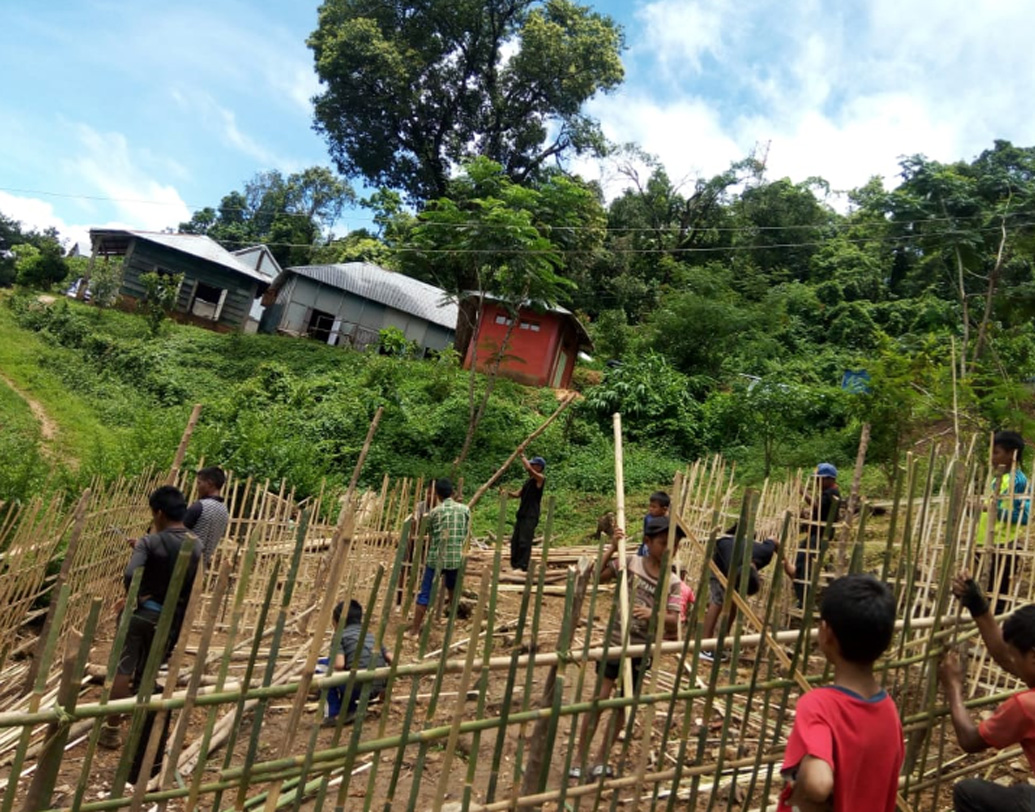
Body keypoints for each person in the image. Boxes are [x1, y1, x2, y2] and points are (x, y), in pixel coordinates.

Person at [571, 514, 684, 782]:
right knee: (600, 698)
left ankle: (601, 760)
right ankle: (579, 758)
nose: (669, 550)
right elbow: (596, 577)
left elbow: (674, 622)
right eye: (663, 543)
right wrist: (612, 547)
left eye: (675, 545)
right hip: (615, 643)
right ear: (648, 541)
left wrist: (653, 613)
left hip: (640, 650)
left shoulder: (673, 582)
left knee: (623, 704)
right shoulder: (631, 563)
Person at [776, 574, 902, 812]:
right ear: (886, 643)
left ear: (826, 632)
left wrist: (799, 787)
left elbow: (819, 784)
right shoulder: (889, 711)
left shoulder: (818, 706)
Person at [99, 486, 201, 751]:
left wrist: (139, 597)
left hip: (141, 614)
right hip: (170, 618)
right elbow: (191, 582)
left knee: (123, 668)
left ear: (158, 512)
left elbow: (132, 574)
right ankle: (143, 729)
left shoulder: (149, 541)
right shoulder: (196, 544)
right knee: (149, 670)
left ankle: (111, 729)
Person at [939, 573, 1035, 810]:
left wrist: (953, 688)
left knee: (968, 792)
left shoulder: (1026, 706)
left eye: (1016, 655)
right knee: (1022, 792)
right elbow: (1006, 658)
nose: (1011, 661)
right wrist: (978, 607)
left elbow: (970, 740)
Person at [701, 526, 779, 654]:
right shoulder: (728, 562)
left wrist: (786, 563)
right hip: (719, 560)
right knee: (718, 600)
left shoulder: (764, 553)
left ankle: (723, 640)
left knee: (734, 602)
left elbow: (774, 540)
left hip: (736, 555)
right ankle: (704, 646)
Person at [407, 478, 470, 637]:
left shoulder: (434, 512)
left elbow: (427, 532)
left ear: (437, 495)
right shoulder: (465, 510)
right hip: (455, 558)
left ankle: (414, 630)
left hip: (435, 558)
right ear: (452, 493)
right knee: (453, 590)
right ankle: (451, 624)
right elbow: (465, 532)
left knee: (425, 593)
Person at [976, 431, 1029, 616]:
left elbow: (1024, 515)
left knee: (997, 595)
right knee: (983, 590)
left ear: (1011, 454)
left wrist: (990, 510)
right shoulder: (996, 478)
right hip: (985, 543)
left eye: (996, 452)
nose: (991, 457)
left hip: (1004, 545)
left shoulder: (1018, 481)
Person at [324, 599, 391, 726]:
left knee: (322, 670)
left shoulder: (340, 636)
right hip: (376, 688)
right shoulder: (370, 635)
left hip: (357, 688)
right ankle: (351, 709)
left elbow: (339, 664)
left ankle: (334, 714)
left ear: (337, 621)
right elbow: (392, 659)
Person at [784, 463, 840, 607]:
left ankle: (806, 601)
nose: (816, 482)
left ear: (829, 479)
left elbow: (817, 506)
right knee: (801, 563)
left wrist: (802, 491)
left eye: (819, 479)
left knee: (803, 564)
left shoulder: (831, 493)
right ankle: (803, 599)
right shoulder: (828, 492)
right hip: (816, 534)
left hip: (821, 536)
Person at [505, 455, 545, 571]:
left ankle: (523, 566)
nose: (531, 466)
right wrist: (507, 494)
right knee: (515, 540)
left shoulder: (540, 479)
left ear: (539, 467)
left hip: (530, 516)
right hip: (522, 514)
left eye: (533, 465)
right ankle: (515, 564)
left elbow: (528, 469)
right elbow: (518, 494)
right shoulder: (528, 481)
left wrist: (521, 455)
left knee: (524, 541)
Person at [183, 466, 230, 568]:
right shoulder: (224, 511)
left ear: (209, 483)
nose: (197, 487)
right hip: (200, 569)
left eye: (199, 483)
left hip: (183, 567)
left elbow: (176, 535)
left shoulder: (200, 507)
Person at [638, 491, 670, 556]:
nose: (650, 509)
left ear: (664, 509)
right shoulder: (649, 519)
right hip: (648, 548)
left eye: (654, 507)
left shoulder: (666, 521)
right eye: (650, 506)